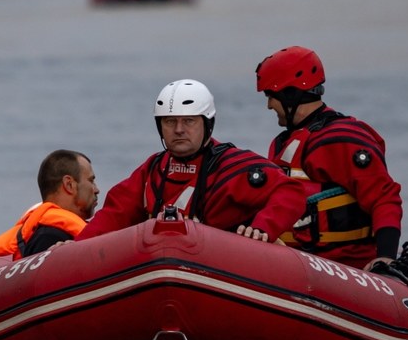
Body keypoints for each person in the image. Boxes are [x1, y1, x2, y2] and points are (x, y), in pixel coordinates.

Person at [76, 79, 305, 243]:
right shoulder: (154, 170)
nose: (178, 130)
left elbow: (290, 192)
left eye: (188, 121)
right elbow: (115, 214)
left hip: (223, 271)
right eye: (169, 122)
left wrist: (262, 228)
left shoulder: (233, 166)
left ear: (207, 124)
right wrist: (77, 247)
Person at [255, 46, 404, 270]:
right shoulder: (282, 143)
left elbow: (384, 197)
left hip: (345, 266)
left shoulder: (340, 139)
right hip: (296, 261)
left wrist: (386, 256)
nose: (268, 106)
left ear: (290, 94)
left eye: (271, 96)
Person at [0, 150, 100, 260]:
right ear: (69, 184)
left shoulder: (46, 230)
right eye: (91, 181)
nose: (96, 190)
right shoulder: (50, 236)